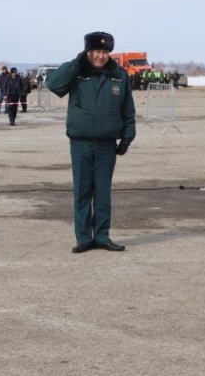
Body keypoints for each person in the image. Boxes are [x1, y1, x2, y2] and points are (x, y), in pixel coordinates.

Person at [47, 31, 136, 254]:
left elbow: (128, 110)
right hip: (81, 144)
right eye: (96, 51)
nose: (101, 56)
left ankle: (103, 236)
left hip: (107, 145)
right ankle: (84, 238)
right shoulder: (76, 74)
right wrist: (76, 63)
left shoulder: (119, 76)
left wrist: (127, 137)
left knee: (103, 192)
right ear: (88, 52)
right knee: (83, 192)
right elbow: (53, 85)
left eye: (105, 52)